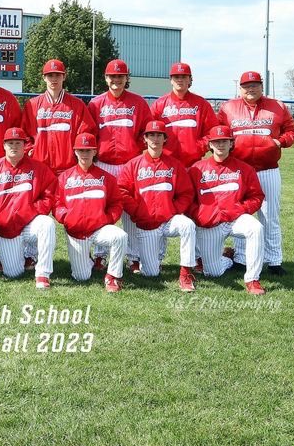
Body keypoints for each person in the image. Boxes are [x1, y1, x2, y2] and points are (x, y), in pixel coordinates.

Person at [217, 70, 294, 275]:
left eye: (255, 84)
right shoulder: (228, 108)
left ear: (262, 86)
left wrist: (279, 141)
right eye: (246, 85)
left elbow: (293, 130)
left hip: (268, 168)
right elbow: (218, 132)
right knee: (240, 215)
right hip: (239, 170)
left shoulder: (277, 106)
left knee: (270, 215)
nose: (251, 88)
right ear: (240, 88)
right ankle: (240, 258)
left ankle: (274, 260)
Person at [87, 58, 153, 271]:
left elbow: (147, 132)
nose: (116, 80)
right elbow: (89, 133)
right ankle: (100, 255)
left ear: (127, 78)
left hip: (130, 165)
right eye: (112, 76)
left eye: (120, 76)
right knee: (102, 209)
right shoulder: (96, 104)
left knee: (130, 212)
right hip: (104, 164)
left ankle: (133, 257)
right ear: (106, 78)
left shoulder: (139, 103)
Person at [117, 120, 198, 292]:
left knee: (188, 225)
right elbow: (122, 191)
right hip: (147, 223)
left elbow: (186, 193)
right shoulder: (133, 164)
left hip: (169, 220)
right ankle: (154, 263)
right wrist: (137, 211)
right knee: (151, 274)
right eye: (151, 135)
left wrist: (172, 210)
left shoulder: (174, 165)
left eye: (159, 135)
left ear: (165, 139)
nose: (155, 138)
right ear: (145, 139)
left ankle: (186, 274)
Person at [0, 127, 57, 289]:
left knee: (47, 224)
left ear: (25, 145)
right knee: (13, 274)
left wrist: (30, 212)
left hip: (30, 223)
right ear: (4, 145)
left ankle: (43, 274)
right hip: (5, 226)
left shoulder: (38, 168)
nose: (14, 146)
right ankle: (23, 259)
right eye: (10, 143)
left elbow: (49, 195)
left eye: (18, 143)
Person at [188, 125, 267, 294]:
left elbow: (256, 197)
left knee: (256, 228)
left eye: (224, 141)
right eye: (216, 142)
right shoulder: (197, 169)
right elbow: (187, 199)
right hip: (211, 222)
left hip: (236, 218)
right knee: (212, 272)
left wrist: (240, 208)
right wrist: (199, 215)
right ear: (210, 145)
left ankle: (253, 279)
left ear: (231, 143)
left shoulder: (244, 168)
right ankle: (227, 258)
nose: (220, 145)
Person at [54, 133, 127, 292]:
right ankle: (87, 260)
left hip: (99, 228)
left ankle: (112, 277)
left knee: (120, 236)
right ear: (75, 152)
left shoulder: (106, 177)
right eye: (81, 150)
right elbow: (57, 203)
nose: (84, 154)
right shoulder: (65, 177)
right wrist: (66, 218)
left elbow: (116, 203)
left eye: (88, 150)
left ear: (95, 152)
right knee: (81, 277)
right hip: (76, 231)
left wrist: (108, 219)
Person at [23, 59, 95, 173]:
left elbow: (87, 132)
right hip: (39, 168)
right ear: (44, 78)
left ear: (64, 76)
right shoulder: (32, 105)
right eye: (50, 75)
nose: (54, 79)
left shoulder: (77, 105)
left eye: (58, 75)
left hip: (68, 168)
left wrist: (76, 153)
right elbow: (24, 133)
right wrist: (30, 150)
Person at [150, 62, 218, 167]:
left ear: (190, 80)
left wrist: (197, 147)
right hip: (165, 163)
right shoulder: (159, 104)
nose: (180, 80)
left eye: (184, 76)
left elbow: (212, 132)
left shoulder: (202, 104)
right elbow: (149, 131)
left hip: (193, 164)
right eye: (176, 77)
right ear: (171, 80)